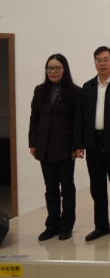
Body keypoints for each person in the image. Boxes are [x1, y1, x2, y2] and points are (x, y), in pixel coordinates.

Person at [73, 46, 110, 242]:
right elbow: (80, 118)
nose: (102, 63)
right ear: (94, 63)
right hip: (93, 143)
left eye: (106, 60)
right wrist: (79, 144)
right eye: (98, 60)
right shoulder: (87, 87)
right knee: (97, 187)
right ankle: (101, 226)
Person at [29, 54, 81, 241]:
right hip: (44, 146)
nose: (52, 71)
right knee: (50, 188)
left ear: (64, 69)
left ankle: (66, 225)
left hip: (66, 147)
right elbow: (34, 118)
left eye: (57, 68)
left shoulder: (75, 92)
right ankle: (52, 225)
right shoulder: (40, 90)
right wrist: (32, 142)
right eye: (49, 68)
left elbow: (78, 121)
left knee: (67, 188)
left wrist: (77, 145)